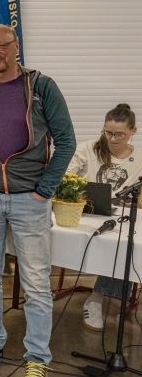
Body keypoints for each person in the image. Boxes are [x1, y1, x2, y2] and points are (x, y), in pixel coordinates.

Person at [0, 23, 75, 377]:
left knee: (36, 283)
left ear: (16, 47)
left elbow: (66, 140)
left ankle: (37, 357)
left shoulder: (41, 86)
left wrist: (46, 188)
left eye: (2, 46)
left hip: (31, 199)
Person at [66, 103, 139, 331]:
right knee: (116, 243)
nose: (112, 139)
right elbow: (66, 177)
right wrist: (76, 191)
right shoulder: (88, 149)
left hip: (123, 218)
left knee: (125, 244)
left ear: (133, 131)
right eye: (108, 133)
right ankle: (101, 298)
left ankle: (97, 297)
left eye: (119, 134)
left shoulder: (139, 157)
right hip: (88, 213)